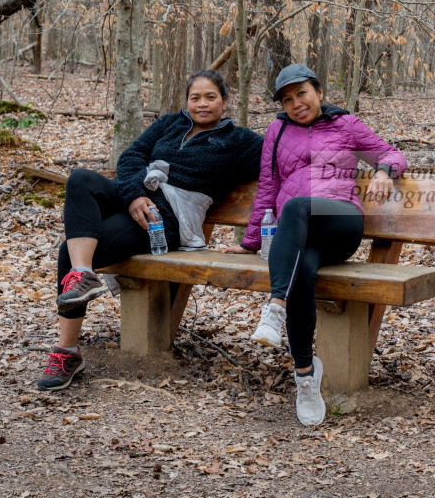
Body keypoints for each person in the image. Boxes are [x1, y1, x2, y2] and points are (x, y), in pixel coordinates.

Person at [37, 70, 263, 391]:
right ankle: (83, 273)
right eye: (195, 97)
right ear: (186, 101)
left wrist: (332, 125)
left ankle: (66, 351)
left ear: (224, 101)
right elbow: (131, 156)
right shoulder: (170, 123)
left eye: (210, 97)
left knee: (66, 251)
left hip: (169, 218)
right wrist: (134, 196)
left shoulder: (239, 141)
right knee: (80, 179)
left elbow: (286, 153)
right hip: (138, 196)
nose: (202, 104)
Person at [224, 64, 407, 425]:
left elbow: (392, 153)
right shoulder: (277, 131)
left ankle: (274, 309)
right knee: (302, 271)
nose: (296, 103)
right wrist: (249, 242)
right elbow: (267, 187)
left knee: (295, 206)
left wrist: (384, 171)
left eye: (302, 94)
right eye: (288, 99)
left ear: (319, 92)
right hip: (298, 238)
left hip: (340, 224)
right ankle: (306, 375)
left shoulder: (346, 125)